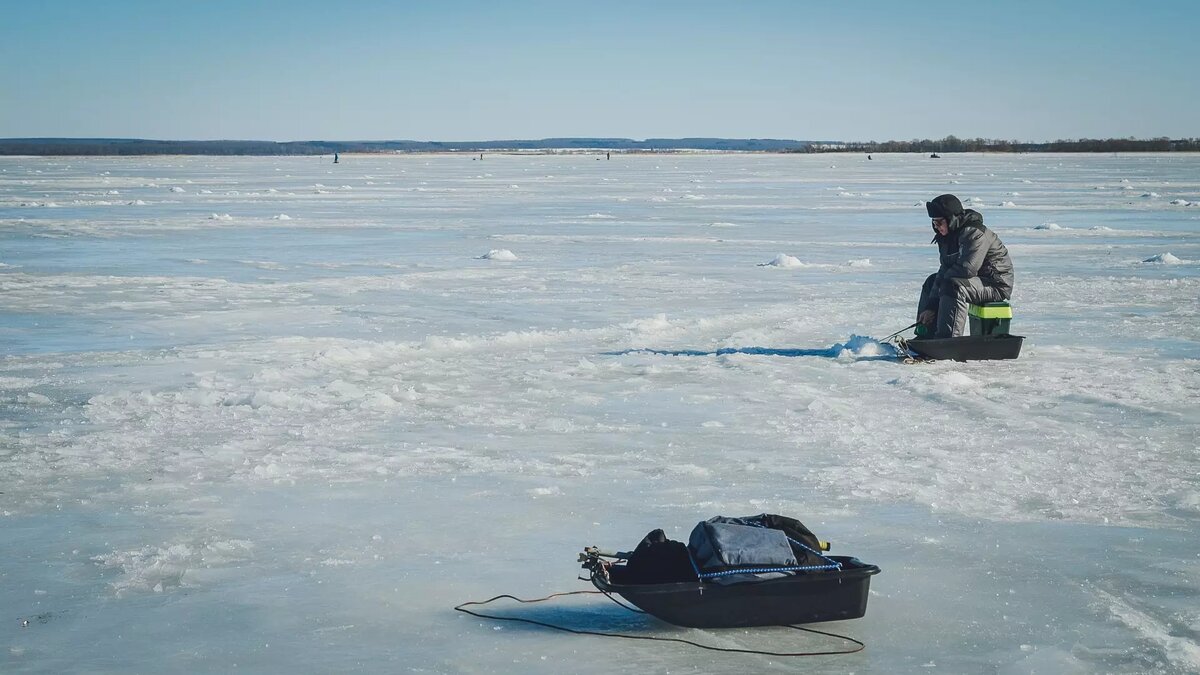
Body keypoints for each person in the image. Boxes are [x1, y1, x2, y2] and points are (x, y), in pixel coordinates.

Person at [917, 194, 1014, 338]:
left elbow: (967, 269)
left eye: (939, 222)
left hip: (995, 283)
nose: (937, 228)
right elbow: (945, 269)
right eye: (934, 223)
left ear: (952, 219)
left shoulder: (974, 233)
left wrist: (942, 286)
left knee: (953, 286)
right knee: (932, 282)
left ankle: (948, 338)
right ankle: (926, 333)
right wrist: (931, 305)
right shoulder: (946, 237)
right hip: (974, 281)